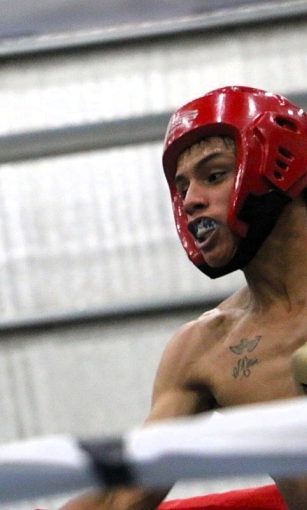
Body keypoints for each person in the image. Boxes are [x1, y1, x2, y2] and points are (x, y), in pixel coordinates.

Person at [60, 86, 307, 509]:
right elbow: (119, 498)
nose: (191, 200)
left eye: (214, 175)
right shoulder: (207, 348)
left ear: (278, 166)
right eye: (182, 186)